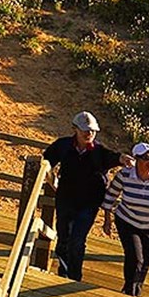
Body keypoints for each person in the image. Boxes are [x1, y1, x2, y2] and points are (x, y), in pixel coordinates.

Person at [42, 111, 126, 281]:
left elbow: (114, 157)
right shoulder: (63, 146)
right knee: (63, 237)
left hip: (89, 203)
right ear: (75, 129)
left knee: (77, 240)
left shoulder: (99, 151)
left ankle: (74, 278)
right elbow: (46, 160)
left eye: (93, 131)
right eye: (85, 130)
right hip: (66, 198)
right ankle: (63, 273)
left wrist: (123, 158)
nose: (89, 134)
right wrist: (48, 174)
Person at [102, 143, 149, 297]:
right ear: (136, 159)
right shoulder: (125, 175)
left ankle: (133, 290)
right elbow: (110, 197)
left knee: (146, 261)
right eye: (146, 158)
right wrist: (107, 220)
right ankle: (131, 293)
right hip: (128, 222)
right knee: (135, 257)